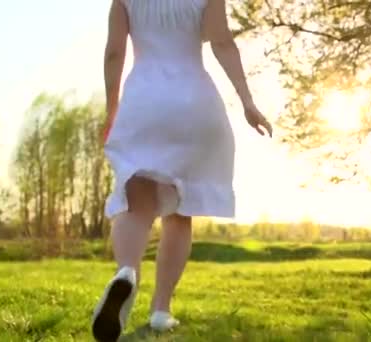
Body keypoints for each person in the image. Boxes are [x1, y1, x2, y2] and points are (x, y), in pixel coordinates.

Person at [91, 0, 272, 340]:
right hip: (193, 100)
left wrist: (112, 108)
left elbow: (114, 53)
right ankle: (161, 311)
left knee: (137, 204)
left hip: (144, 100)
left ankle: (126, 271)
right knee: (181, 210)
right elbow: (222, 43)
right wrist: (248, 102)